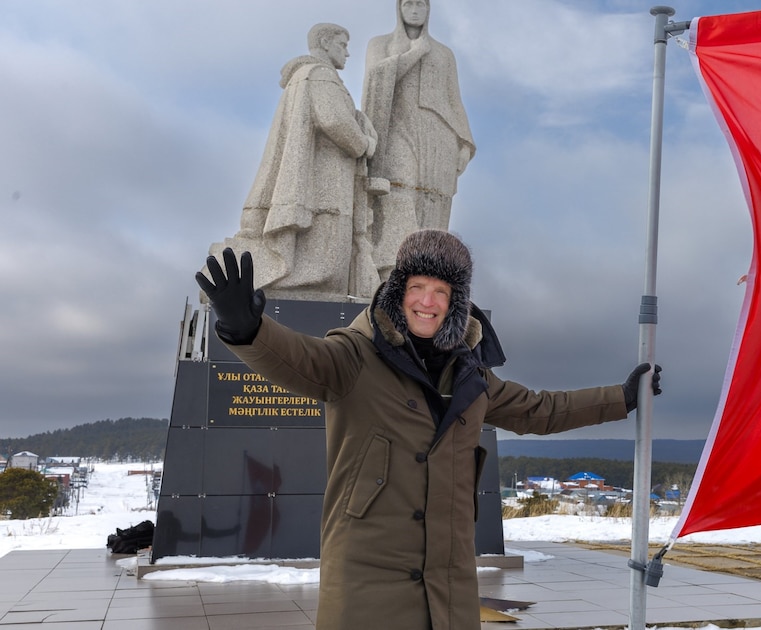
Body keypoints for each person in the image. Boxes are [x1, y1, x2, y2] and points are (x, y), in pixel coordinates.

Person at [196, 229, 662, 630]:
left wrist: (619, 398)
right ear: (399, 291)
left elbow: (539, 410)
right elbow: (301, 360)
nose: (427, 301)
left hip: (449, 582)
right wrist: (247, 329)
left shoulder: (471, 375)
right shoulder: (356, 356)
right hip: (368, 580)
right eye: (418, 286)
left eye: (441, 291)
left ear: (456, 302)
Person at [222, 23, 378, 298]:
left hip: (322, 183)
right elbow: (335, 121)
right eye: (342, 45)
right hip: (324, 188)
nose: (347, 53)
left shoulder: (306, 75)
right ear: (325, 42)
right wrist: (365, 143)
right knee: (327, 263)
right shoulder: (319, 75)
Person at [361, 0, 474, 283]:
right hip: (397, 129)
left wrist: (464, 144)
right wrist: (414, 54)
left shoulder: (444, 54)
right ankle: (393, 275)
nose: (414, 10)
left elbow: (454, 100)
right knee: (399, 194)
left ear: (429, 9)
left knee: (433, 200)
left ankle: (429, 276)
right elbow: (376, 79)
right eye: (408, 3)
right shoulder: (380, 44)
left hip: (439, 134)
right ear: (398, 8)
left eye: (420, 4)